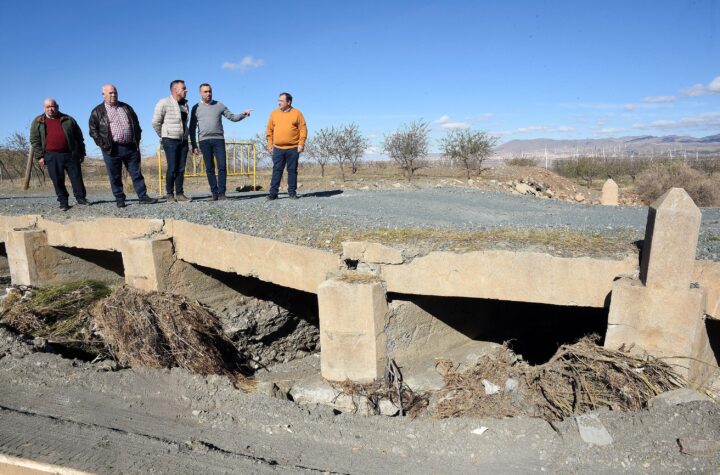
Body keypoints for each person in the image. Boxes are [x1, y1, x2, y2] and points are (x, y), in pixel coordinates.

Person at [89, 84, 158, 208]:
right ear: (103, 94)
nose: (113, 95)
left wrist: (137, 138)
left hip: (130, 147)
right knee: (115, 175)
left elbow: (136, 124)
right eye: (110, 93)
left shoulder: (126, 107)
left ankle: (143, 196)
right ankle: (120, 198)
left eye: (115, 92)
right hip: (111, 148)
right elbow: (93, 130)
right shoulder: (97, 111)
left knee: (136, 173)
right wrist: (103, 144)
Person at [189, 83, 252, 200]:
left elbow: (232, 117)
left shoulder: (219, 105)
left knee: (222, 166)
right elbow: (191, 128)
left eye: (209, 91)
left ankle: (222, 193)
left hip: (218, 140)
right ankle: (214, 193)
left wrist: (243, 115)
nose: (208, 94)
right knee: (209, 168)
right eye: (205, 92)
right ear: (200, 93)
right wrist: (193, 144)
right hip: (204, 141)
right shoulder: (195, 108)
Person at [29, 98, 89, 211]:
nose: (50, 109)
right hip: (51, 155)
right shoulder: (38, 121)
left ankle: (81, 198)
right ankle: (63, 201)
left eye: (52, 106)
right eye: (48, 107)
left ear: (57, 106)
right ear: (44, 108)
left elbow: (79, 137)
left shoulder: (68, 119)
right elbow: (34, 140)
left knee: (76, 177)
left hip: (70, 153)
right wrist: (40, 156)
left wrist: (81, 152)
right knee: (57, 179)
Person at [152, 80, 191, 203]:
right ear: (175, 90)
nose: (186, 90)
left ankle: (180, 194)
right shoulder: (163, 103)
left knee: (181, 168)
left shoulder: (185, 105)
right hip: (170, 140)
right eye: (183, 88)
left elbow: (185, 123)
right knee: (172, 167)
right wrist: (164, 136)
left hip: (183, 140)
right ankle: (169, 195)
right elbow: (155, 122)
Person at [265, 92, 307, 201]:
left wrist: (301, 144)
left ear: (288, 102)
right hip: (278, 148)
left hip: (293, 148)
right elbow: (269, 129)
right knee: (277, 170)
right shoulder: (274, 113)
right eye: (278, 100)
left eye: (281, 101)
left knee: (292, 170)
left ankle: (292, 192)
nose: (279, 103)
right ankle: (273, 193)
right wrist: (270, 144)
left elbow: (303, 129)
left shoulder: (297, 113)